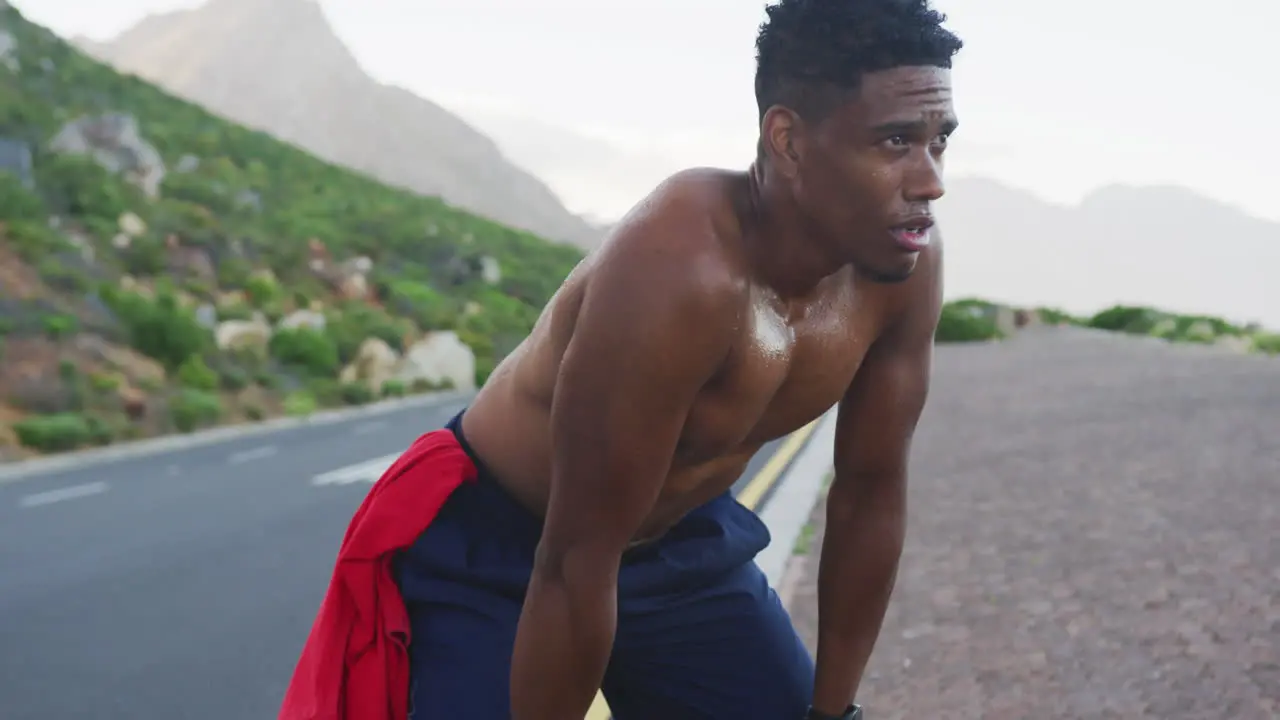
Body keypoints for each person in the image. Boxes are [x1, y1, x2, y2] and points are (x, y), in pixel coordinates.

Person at [278, 1, 963, 719]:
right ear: (787, 138)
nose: (930, 180)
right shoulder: (683, 265)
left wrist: (834, 713)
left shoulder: (903, 267)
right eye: (894, 143)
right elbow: (575, 560)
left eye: (939, 141)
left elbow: (869, 493)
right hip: (507, 547)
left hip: (680, 547)